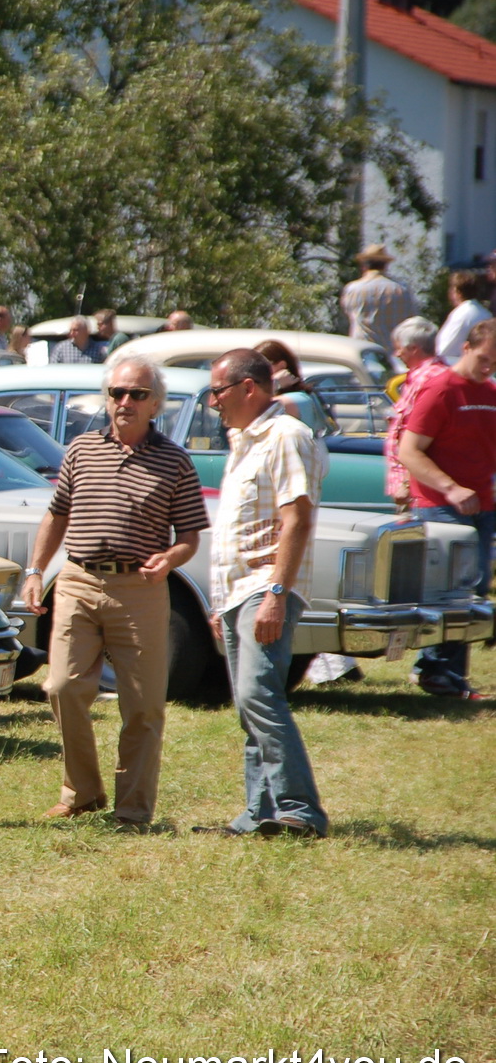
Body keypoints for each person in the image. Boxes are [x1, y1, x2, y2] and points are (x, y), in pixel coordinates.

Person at [21, 354, 208, 828]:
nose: (125, 402)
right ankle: (81, 792)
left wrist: (170, 558)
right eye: (117, 393)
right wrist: (35, 570)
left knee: (143, 705)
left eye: (137, 394)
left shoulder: (175, 460)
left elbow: (189, 536)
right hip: (78, 582)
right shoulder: (81, 451)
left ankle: (133, 808)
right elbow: (56, 514)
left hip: (140, 591)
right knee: (62, 687)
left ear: (155, 405)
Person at [200, 348, 328, 838]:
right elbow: (236, 529)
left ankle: (300, 809)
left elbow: (297, 517)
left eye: (218, 391)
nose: (213, 402)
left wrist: (276, 591)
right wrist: (218, 601)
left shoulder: (286, 435)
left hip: (266, 587)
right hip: (239, 593)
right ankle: (260, 813)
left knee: (258, 693)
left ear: (248, 388)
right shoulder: (245, 442)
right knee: (251, 702)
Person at [398, 318, 496, 699]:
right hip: (441, 506)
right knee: (449, 591)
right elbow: (410, 451)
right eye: (484, 359)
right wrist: (451, 488)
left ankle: (449, 674)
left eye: (495, 363)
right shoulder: (441, 390)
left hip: (482, 507)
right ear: (467, 347)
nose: (488, 368)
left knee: (472, 590)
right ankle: (435, 671)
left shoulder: (489, 393)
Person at [384, 316, 452, 507]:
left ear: (414, 348)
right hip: (422, 486)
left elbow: (421, 435)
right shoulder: (428, 376)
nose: (397, 354)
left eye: (399, 348)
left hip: (421, 490)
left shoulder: (427, 380)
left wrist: (406, 484)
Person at [340, 243, 417, 348]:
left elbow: (348, 314)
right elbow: (412, 321)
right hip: (392, 352)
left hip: (362, 350)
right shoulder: (401, 290)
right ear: (385, 265)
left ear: (364, 265)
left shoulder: (352, 289)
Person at [253, 338, 330, 435]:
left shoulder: (293, 399)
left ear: (281, 366)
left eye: (260, 367)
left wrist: (275, 383)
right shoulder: (285, 397)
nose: (254, 373)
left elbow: (252, 415)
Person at [436, 270, 490, 362]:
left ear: (457, 292)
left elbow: (444, 348)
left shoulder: (461, 314)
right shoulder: (485, 313)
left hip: (458, 364)